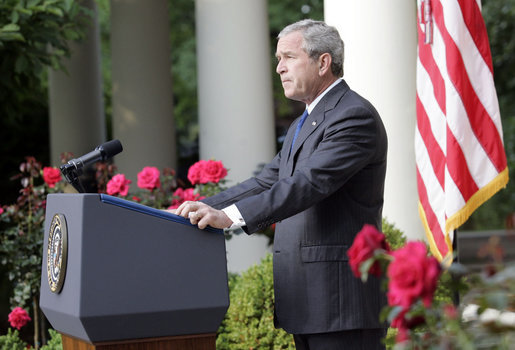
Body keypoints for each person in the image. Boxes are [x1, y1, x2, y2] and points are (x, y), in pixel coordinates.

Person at [175, 19, 388, 350]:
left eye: (288, 57)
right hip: (309, 301)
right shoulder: (304, 122)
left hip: (341, 303)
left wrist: (230, 217)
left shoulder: (353, 116)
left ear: (323, 62)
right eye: (278, 59)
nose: (279, 69)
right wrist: (195, 208)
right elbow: (266, 181)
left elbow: (308, 183)